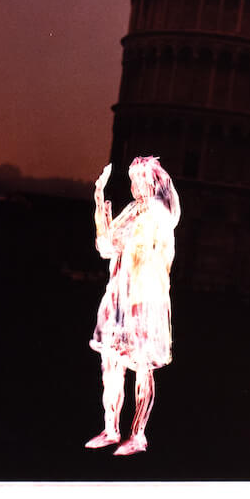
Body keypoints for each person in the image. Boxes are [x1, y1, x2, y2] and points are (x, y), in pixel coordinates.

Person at [85, 156, 181, 455]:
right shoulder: (132, 210)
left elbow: (161, 259)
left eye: (137, 178)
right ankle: (111, 428)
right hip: (120, 296)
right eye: (131, 178)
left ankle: (138, 433)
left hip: (143, 298)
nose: (133, 184)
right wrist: (100, 200)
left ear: (150, 180)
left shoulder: (159, 215)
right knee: (111, 364)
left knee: (141, 366)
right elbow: (106, 246)